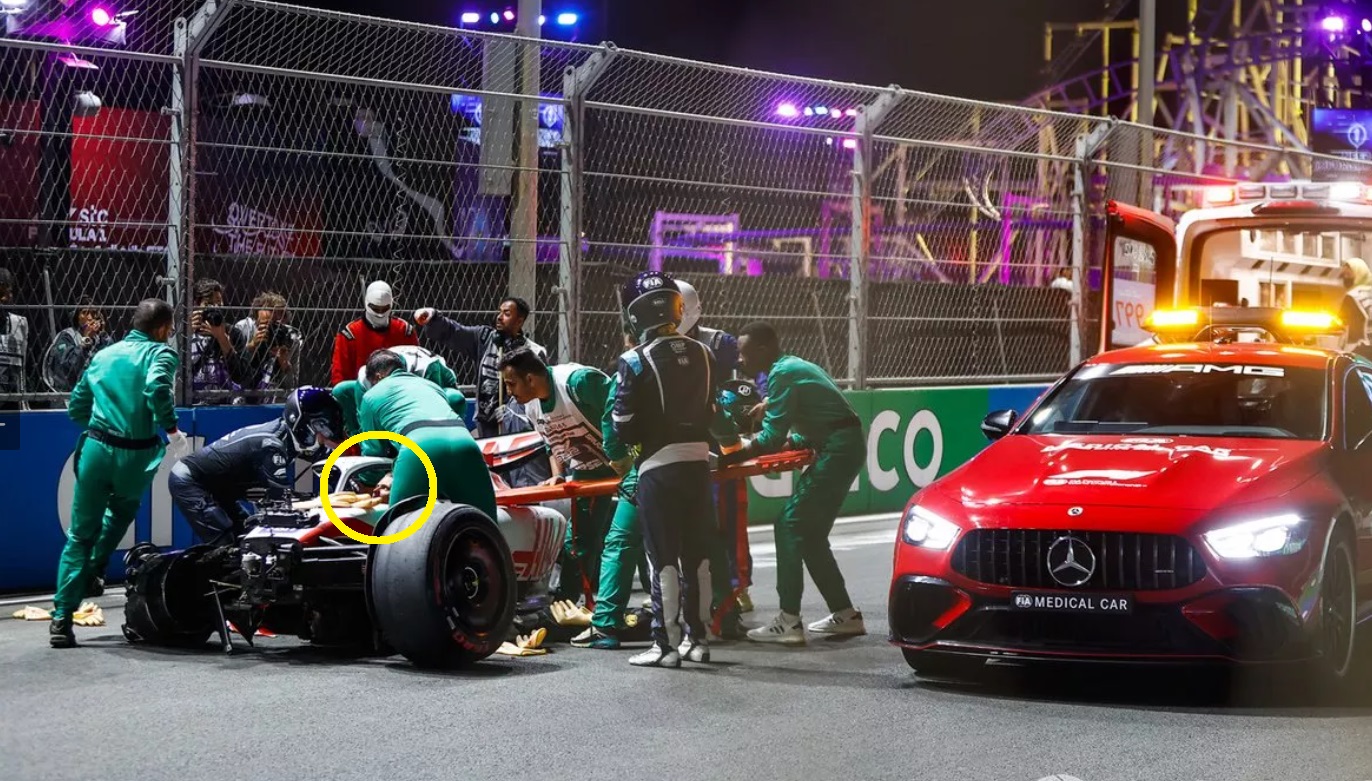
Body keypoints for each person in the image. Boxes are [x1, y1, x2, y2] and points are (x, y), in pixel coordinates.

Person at [50, 298, 191, 649]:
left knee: (79, 535)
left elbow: (76, 408)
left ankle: (61, 619)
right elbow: (157, 388)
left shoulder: (103, 355)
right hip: (135, 454)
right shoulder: (161, 354)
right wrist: (172, 431)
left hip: (96, 449)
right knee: (123, 509)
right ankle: (96, 566)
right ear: (162, 329)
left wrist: (102, 423)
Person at [718, 321, 867, 644]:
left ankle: (788, 620)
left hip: (837, 450)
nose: (740, 360)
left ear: (763, 349)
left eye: (744, 353)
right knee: (810, 536)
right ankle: (845, 614)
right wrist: (785, 440)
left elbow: (771, 438)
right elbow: (820, 421)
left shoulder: (782, 373)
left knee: (787, 524)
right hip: (843, 446)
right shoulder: (794, 366)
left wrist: (734, 453)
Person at [611, 271, 719, 668]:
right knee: (699, 558)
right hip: (698, 463)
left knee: (662, 559)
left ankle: (666, 645)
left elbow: (622, 423)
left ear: (635, 313)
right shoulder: (705, 353)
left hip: (658, 467)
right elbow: (712, 410)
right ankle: (699, 640)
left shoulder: (634, 359)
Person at [498, 346, 616, 603]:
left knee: (629, 538)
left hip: (629, 465)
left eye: (511, 384)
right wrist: (559, 474)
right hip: (589, 470)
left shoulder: (578, 382)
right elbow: (552, 441)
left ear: (530, 379)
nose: (509, 392)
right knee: (578, 541)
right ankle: (568, 604)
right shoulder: (531, 407)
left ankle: (654, 604)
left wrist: (628, 461)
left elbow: (625, 411)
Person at [170, 387, 344, 546]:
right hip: (192, 480)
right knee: (226, 542)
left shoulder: (297, 443)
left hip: (220, 487)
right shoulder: (270, 445)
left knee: (245, 536)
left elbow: (303, 494)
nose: (326, 437)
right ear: (300, 422)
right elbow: (280, 503)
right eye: (321, 428)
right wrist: (321, 504)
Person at [676, 279, 752, 621]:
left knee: (726, 519)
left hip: (715, 444)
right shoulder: (651, 344)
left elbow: (735, 392)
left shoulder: (719, 343)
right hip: (678, 445)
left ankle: (735, 589)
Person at [357, 349, 497, 522]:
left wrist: (369, 486)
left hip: (419, 449)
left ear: (378, 377)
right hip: (466, 444)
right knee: (485, 527)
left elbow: (372, 450)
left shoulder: (371, 396)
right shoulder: (431, 385)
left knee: (399, 529)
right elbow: (456, 399)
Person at [414, 297, 546, 438]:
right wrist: (434, 318)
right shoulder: (484, 338)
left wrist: (514, 412)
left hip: (517, 424)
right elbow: (455, 332)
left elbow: (538, 392)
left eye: (507, 314)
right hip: (485, 420)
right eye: (500, 312)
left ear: (519, 321)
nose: (499, 317)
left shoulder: (532, 352)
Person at [333, 345, 466, 438]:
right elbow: (363, 416)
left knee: (454, 398)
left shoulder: (426, 370)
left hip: (434, 394)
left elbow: (431, 409)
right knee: (342, 390)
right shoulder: (365, 377)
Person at [330, 281, 418, 386]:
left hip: (398, 391)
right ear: (367, 303)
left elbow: (416, 367)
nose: (380, 314)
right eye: (375, 308)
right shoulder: (350, 335)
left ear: (391, 305)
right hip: (361, 392)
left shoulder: (404, 331)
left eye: (384, 308)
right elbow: (339, 377)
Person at [230, 290, 302, 404]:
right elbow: (232, 369)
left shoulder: (291, 338)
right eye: (271, 310)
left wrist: (284, 364)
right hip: (243, 396)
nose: (276, 316)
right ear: (258, 311)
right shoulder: (243, 328)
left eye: (280, 313)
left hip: (274, 398)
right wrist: (252, 346)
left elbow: (291, 385)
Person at [188, 277, 246, 403]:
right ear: (197, 304)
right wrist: (188, 333)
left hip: (225, 403)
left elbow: (240, 376)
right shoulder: (186, 332)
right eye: (209, 304)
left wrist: (222, 338)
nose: (215, 308)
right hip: (192, 402)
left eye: (219, 303)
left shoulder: (233, 333)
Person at [42, 300, 113, 394]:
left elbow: (111, 359)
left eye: (93, 313)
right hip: (68, 394)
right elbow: (68, 368)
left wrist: (103, 333)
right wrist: (86, 340)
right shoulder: (67, 336)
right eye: (84, 313)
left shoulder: (99, 338)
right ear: (76, 316)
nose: (89, 317)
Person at [0, 266, 30, 411]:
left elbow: (22, 367)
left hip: (12, 400)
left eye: (8, 292)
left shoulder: (20, 323)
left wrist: (23, 402)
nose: (6, 298)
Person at [1338, 258, 1372, 351]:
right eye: (1343, 276)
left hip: (1360, 348)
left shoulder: (1352, 296)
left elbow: (1342, 321)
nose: (1345, 278)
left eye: (1348, 275)